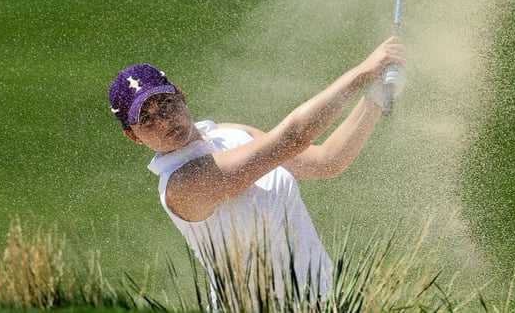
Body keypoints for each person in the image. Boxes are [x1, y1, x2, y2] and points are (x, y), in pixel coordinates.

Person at [108, 36, 404, 308]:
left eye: (167, 103)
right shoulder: (183, 183)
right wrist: (364, 70)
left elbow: (327, 162)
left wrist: (377, 96)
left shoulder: (231, 134)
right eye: (146, 119)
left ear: (181, 96)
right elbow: (293, 138)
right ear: (133, 136)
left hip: (324, 301)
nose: (164, 121)